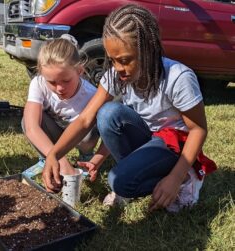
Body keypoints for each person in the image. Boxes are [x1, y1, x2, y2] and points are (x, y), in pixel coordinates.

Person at [42, 4, 217, 212]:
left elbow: (198, 130)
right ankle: (135, 175)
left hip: (174, 146)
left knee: (119, 182)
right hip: (149, 139)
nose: (117, 68)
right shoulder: (117, 76)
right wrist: (53, 154)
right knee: (108, 114)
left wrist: (175, 176)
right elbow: (84, 119)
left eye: (125, 60)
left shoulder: (178, 77)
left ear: (148, 49)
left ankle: (184, 180)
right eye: (112, 60)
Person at [22, 34, 99, 180]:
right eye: (51, 82)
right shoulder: (38, 84)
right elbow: (32, 127)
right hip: (55, 132)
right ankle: (46, 158)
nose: (59, 88)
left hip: (80, 137)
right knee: (27, 121)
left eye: (66, 80)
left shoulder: (91, 94)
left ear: (79, 71)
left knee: (93, 125)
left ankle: (86, 156)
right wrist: (59, 160)